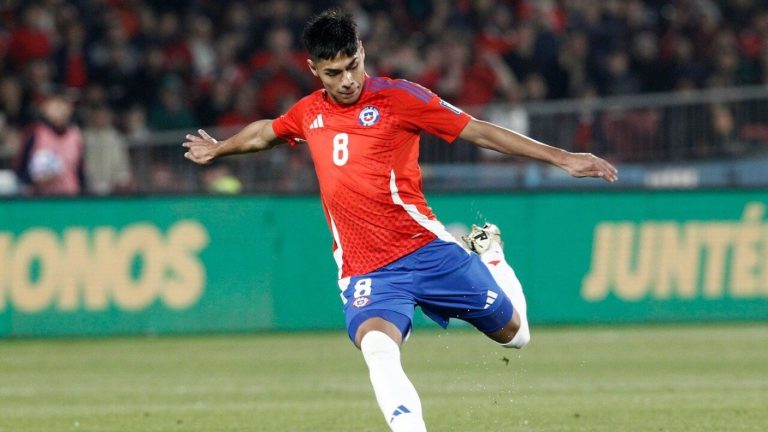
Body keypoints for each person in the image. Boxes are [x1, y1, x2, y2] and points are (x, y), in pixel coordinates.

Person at [183, 9, 618, 432]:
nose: (348, 80)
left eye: (352, 65)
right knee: (377, 347)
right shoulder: (308, 112)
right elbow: (266, 132)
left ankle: (493, 257)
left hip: (427, 250)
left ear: (362, 51)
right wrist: (220, 148)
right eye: (334, 73)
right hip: (367, 269)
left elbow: (479, 129)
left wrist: (563, 158)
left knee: (516, 335)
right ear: (314, 69)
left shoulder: (400, 98)